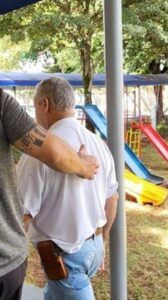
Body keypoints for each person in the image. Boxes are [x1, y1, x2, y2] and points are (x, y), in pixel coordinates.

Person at [16, 77, 118, 300]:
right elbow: (113, 198)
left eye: (35, 107)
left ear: (44, 104)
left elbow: (20, 214)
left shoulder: (38, 152)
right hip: (93, 247)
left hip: (64, 258)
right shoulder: (99, 144)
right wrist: (102, 240)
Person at [0, 87, 99, 300]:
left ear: (44, 104)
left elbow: (27, 210)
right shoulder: (98, 143)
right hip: (5, 259)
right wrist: (83, 166)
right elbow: (54, 154)